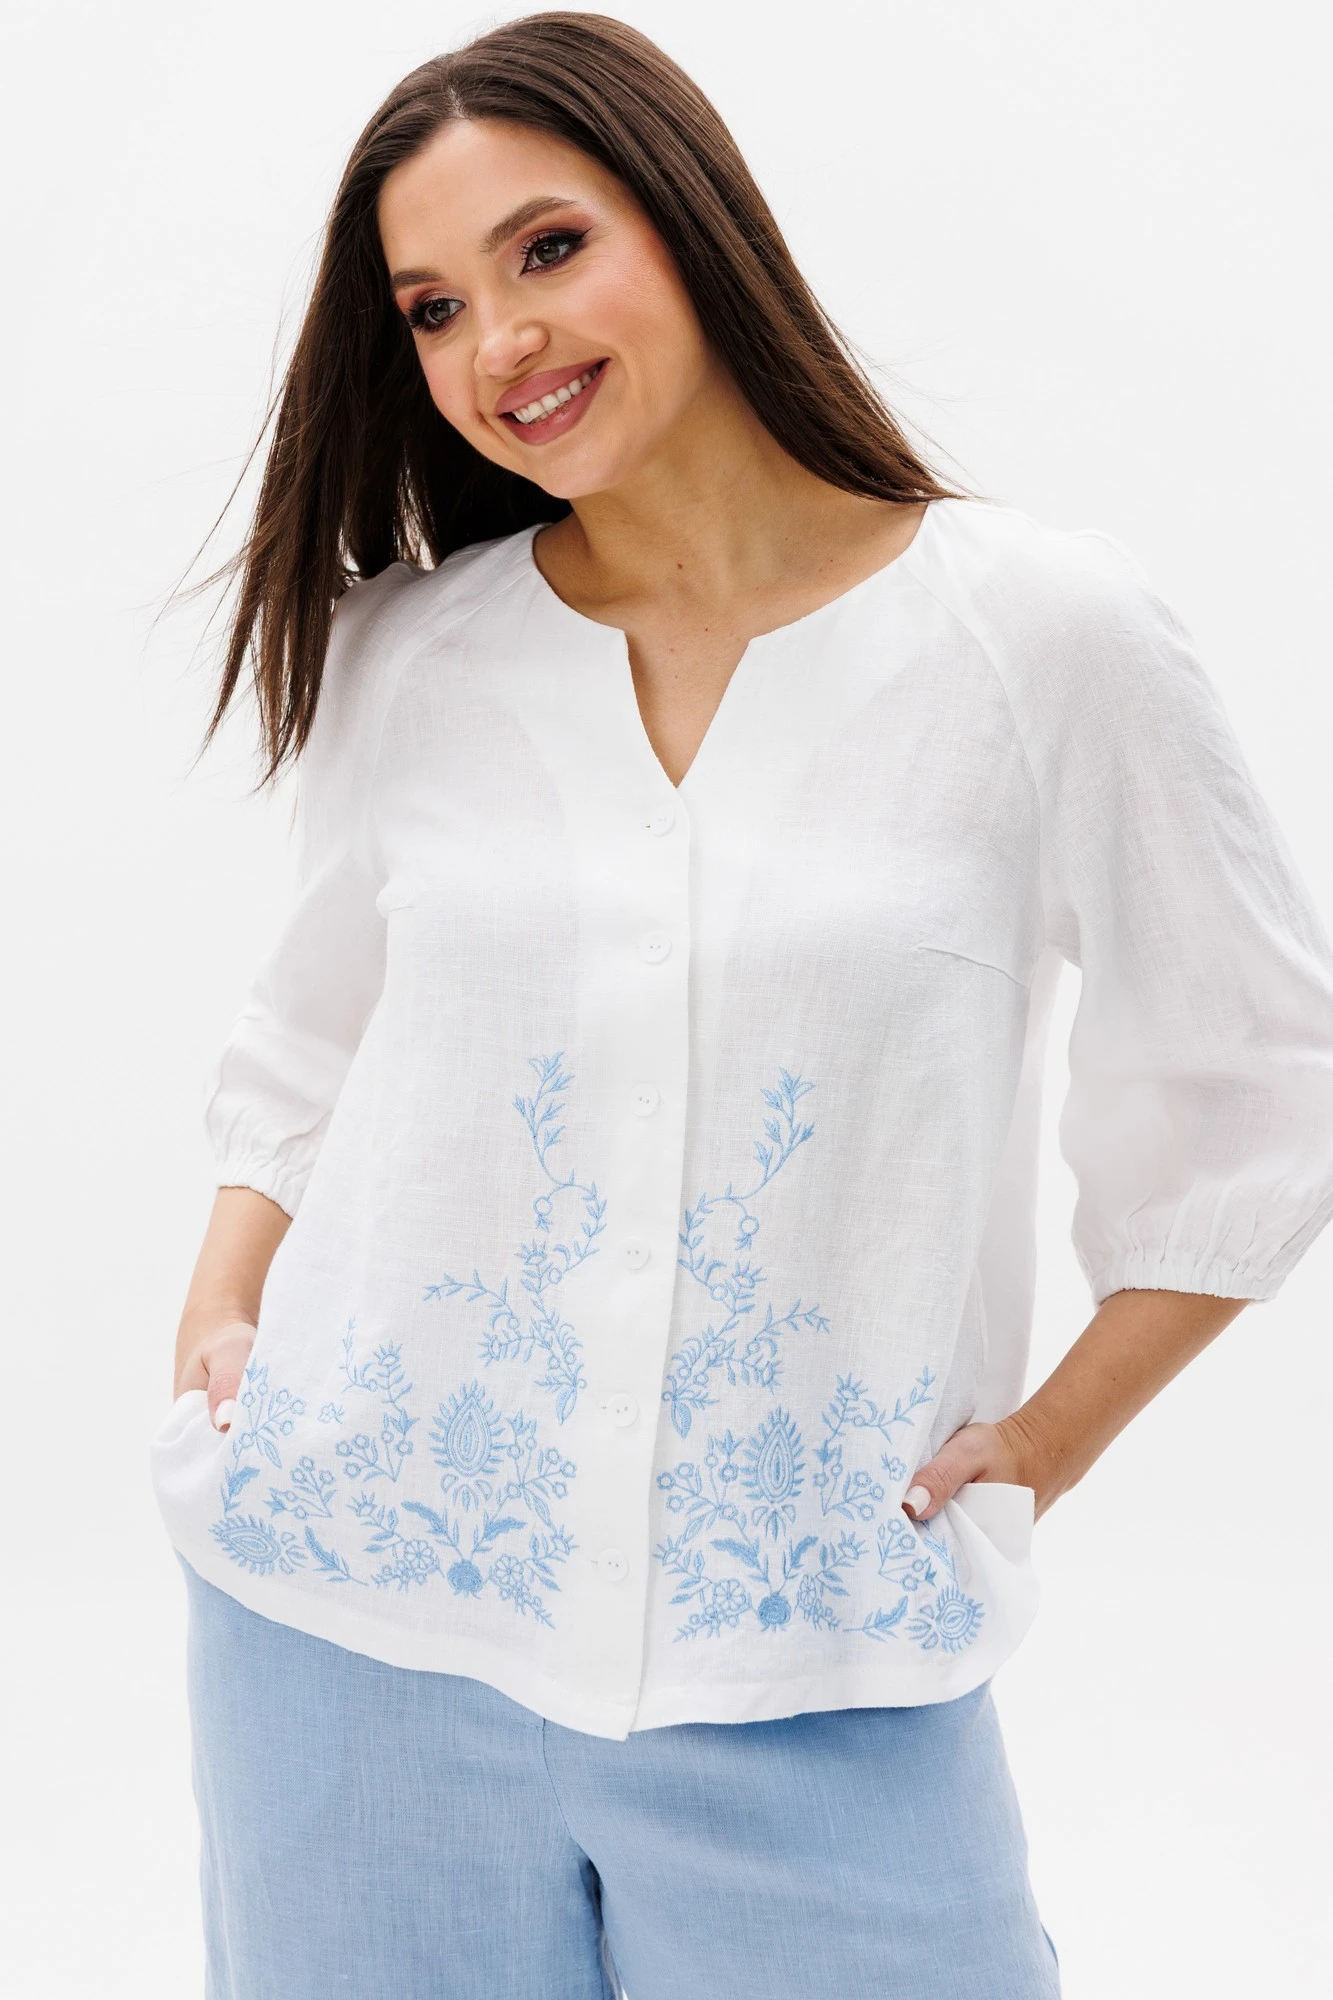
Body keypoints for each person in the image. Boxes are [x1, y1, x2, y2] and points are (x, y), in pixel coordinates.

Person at [149, 12, 1333, 1998]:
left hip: (818, 1674)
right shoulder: (411, 658)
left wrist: (1048, 1444)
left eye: (548, 249)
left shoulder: (1038, 637)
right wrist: (218, 1315)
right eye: (433, 309)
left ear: (692, 221)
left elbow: (1265, 1087)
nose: (499, 341)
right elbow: (307, 1041)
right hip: (345, 1635)